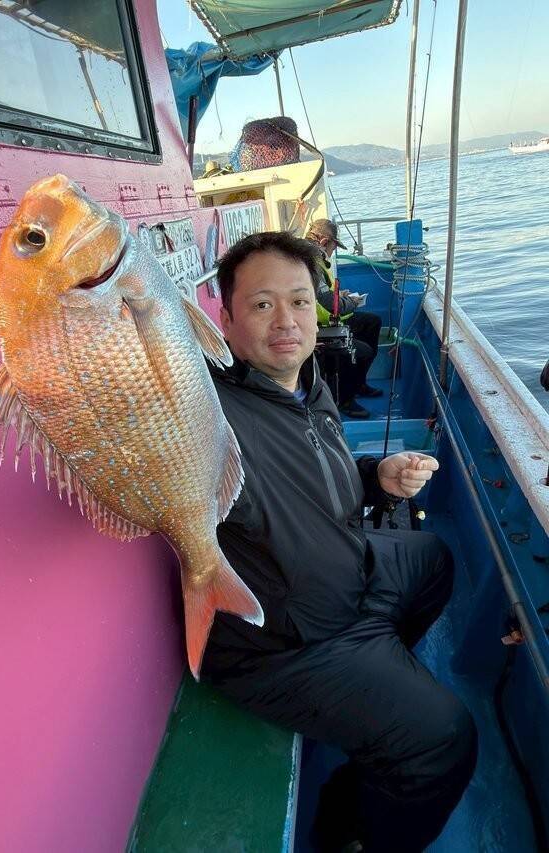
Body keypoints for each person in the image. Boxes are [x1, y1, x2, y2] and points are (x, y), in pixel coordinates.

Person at [201, 231, 477, 853]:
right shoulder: (208, 412)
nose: (286, 323)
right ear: (225, 317)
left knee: (433, 560)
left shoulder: (305, 382)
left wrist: (375, 478)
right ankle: (351, 830)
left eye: (299, 302)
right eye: (261, 304)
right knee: (444, 739)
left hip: (346, 579)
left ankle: (373, 687)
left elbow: (315, 482)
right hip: (283, 642)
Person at [307, 219, 383, 419]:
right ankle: (344, 400)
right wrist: (352, 302)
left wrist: (342, 297)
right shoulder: (310, 262)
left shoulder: (315, 259)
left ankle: (359, 385)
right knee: (363, 352)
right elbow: (330, 306)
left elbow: (324, 297)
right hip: (317, 327)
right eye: (333, 246)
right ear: (324, 241)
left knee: (372, 322)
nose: (333, 252)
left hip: (329, 319)